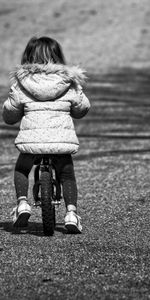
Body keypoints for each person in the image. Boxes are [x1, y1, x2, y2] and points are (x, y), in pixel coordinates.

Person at [2, 36, 90, 233]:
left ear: (27, 57)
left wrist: (12, 110)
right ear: (58, 57)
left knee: (22, 168)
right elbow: (82, 109)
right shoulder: (69, 81)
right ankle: (71, 214)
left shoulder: (22, 83)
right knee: (67, 174)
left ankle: (22, 203)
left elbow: (10, 115)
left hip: (32, 141)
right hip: (60, 141)